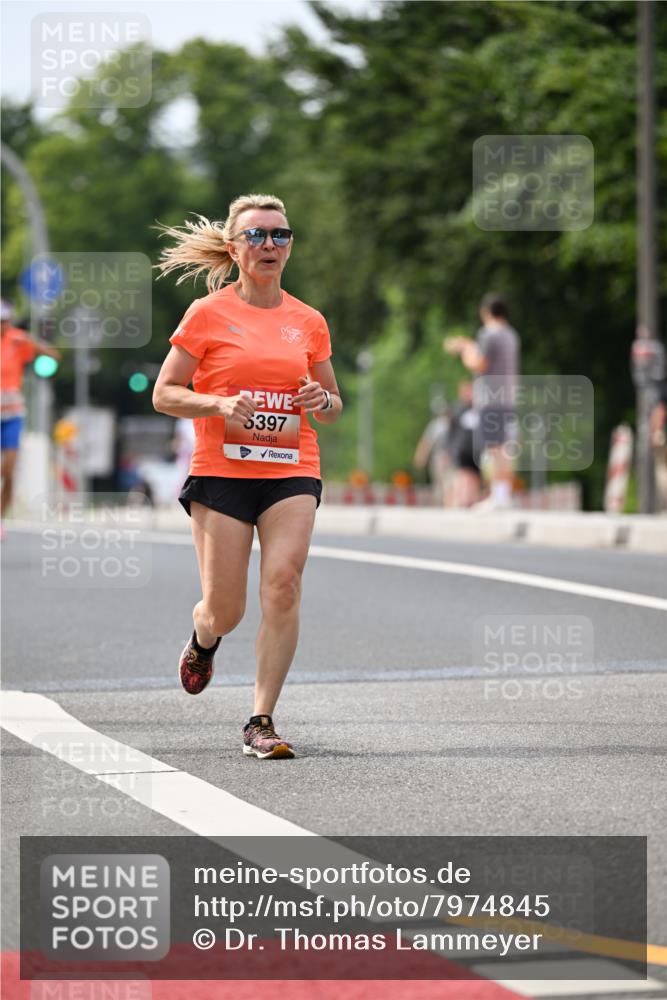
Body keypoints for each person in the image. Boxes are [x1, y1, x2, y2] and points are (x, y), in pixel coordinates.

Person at [153, 193, 342, 759]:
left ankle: (261, 719)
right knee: (226, 608)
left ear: (290, 246)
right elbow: (166, 394)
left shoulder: (307, 321)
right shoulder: (207, 314)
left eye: (280, 235)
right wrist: (216, 405)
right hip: (223, 473)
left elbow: (333, 405)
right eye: (257, 235)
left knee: (283, 583)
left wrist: (320, 396)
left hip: (291, 469)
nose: (270, 245)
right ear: (235, 248)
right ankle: (204, 635)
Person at [444, 292, 520, 510]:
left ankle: (498, 497)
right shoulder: (511, 335)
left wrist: (465, 350)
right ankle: (503, 494)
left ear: (486, 312)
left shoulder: (488, 334)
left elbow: (479, 364)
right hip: (508, 396)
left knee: (495, 448)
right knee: (504, 446)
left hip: (490, 398)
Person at [1, 299, 61, 526]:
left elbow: (53, 356)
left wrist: (29, 340)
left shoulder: (16, 341)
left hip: (12, 413)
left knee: (8, 470)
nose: (4, 326)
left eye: (6, 321)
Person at [444, 380, 481, 507]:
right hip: (461, 449)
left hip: (476, 450)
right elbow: (449, 432)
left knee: (474, 476)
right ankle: (462, 501)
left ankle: (471, 502)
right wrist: (448, 450)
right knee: (463, 475)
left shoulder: (480, 409)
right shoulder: (456, 409)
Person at [412, 394, 451, 505]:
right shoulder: (437, 425)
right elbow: (426, 443)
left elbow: (426, 443)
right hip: (441, 458)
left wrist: (421, 457)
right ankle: (444, 504)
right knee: (441, 484)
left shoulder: (445, 424)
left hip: (449, 458)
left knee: (448, 483)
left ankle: (447, 504)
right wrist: (421, 457)